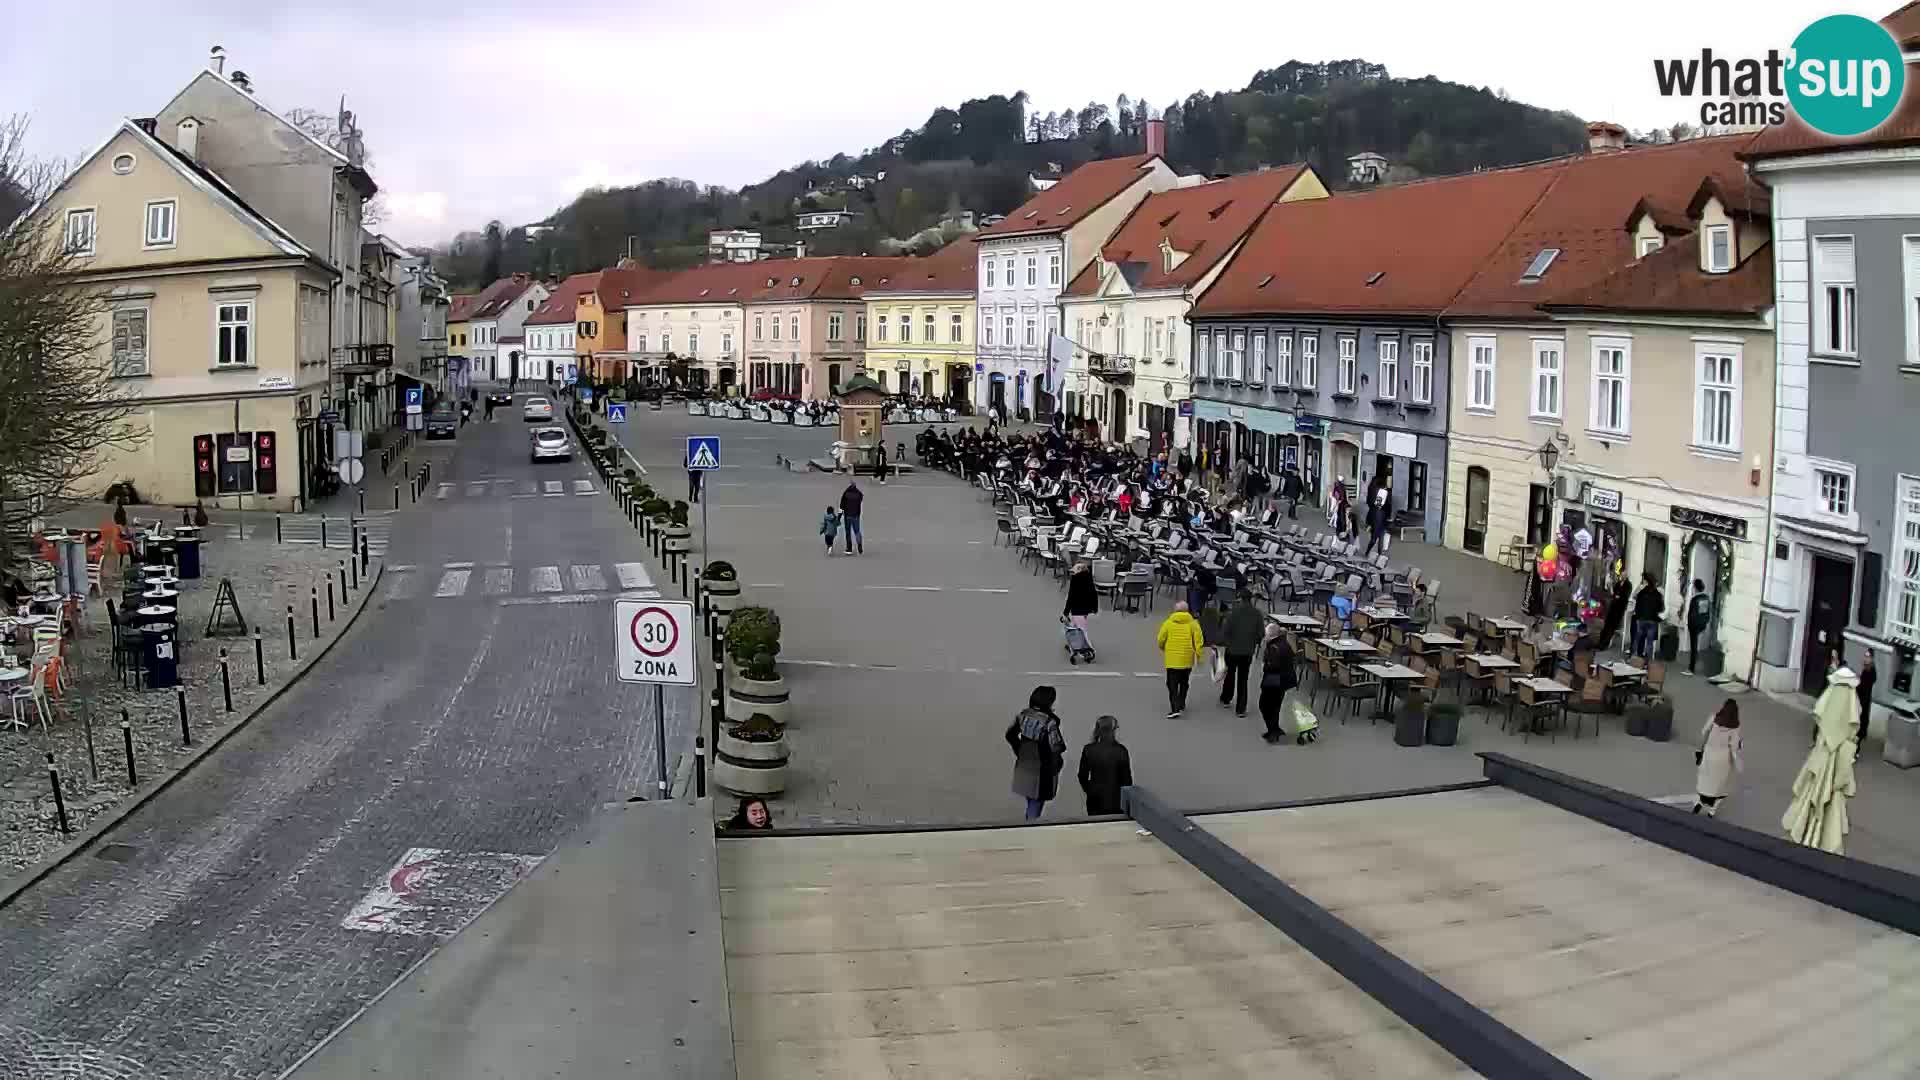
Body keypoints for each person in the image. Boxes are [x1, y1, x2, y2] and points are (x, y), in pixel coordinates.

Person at [1784, 663, 1861, 853]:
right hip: (1836, 762)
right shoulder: (1851, 704)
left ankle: (1806, 829)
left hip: (1822, 756)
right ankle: (1823, 836)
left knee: (1813, 791)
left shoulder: (1829, 699)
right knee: (1832, 799)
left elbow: (1821, 715)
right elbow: (1853, 727)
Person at [1006, 686, 1067, 820]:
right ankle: (1030, 828)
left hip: (1025, 762)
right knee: (1037, 801)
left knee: (1030, 797)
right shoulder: (1049, 722)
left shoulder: (1023, 715)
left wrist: (1020, 750)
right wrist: (1056, 765)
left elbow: (1010, 735)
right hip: (1042, 768)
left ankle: (1029, 821)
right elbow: (1057, 746)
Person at [1693, 700, 1744, 818]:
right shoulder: (1735, 726)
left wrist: (1699, 751)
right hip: (1723, 760)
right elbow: (1734, 746)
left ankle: (1698, 803)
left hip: (1709, 755)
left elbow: (1704, 733)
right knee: (1719, 788)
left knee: (1704, 782)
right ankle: (1712, 811)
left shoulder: (1714, 718)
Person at [1156, 601, 1205, 718]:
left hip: (1172, 660)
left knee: (1171, 684)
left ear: (1175, 611)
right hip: (1187, 659)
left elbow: (1160, 639)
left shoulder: (1168, 623)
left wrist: (1164, 648)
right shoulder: (1193, 624)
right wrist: (1199, 656)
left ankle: (1175, 708)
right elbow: (1199, 642)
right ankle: (1181, 702)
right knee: (1184, 682)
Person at [1076, 715, 1133, 815]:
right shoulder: (1121, 750)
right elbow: (1127, 780)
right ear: (1113, 730)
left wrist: (1089, 790)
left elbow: (1082, 775)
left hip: (1094, 799)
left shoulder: (1088, 749)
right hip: (1116, 800)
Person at [1218, 593, 1264, 717]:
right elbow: (1261, 633)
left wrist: (1227, 643)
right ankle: (1241, 709)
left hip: (1232, 650)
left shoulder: (1232, 613)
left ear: (1240, 599)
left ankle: (1226, 698)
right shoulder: (1257, 614)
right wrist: (1254, 642)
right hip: (1247, 651)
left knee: (1230, 674)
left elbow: (1225, 631)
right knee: (1243, 679)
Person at [1257, 622, 1298, 744]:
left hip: (1273, 681)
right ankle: (1275, 729)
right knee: (1275, 706)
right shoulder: (1284, 643)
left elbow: (1272, 666)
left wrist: (1265, 666)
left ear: (1271, 635)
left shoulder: (1274, 647)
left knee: (1264, 705)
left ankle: (1272, 731)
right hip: (1285, 680)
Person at [1063, 560, 1097, 648]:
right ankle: (1071, 643)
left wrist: (1066, 612)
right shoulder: (1089, 579)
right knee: (1076, 624)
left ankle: (1089, 648)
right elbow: (1094, 594)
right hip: (1086, 608)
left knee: (1082, 630)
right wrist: (1095, 608)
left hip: (1077, 609)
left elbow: (1070, 598)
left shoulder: (1075, 580)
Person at [1630, 573, 1664, 661]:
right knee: (1649, 642)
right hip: (1652, 620)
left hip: (1641, 619)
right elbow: (1661, 608)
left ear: (1646, 581)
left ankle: (1633, 658)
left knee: (1637, 639)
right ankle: (1647, 662)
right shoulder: (1658, 593)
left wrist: (1638, 615)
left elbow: (1636, 602)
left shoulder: (1642, 592)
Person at [1684, 579, 1712, 674]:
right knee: (1695, 646)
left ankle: (1691, 668)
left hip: (1694, 625)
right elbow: (1707, 612)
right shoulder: (1706, 598)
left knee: (1694, 647)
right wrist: (1705, 623)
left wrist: (1689, 625)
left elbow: (1691, 614)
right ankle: (1694, 664)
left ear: (1695, 588)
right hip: (1702, 623)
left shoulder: (1695, 599)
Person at [1599, 575, 1632, 654]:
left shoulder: (1628, 585)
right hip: (1613, 606)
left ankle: (1605, 644)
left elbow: (1626, 595)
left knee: (1612, 626)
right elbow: (1613, 593)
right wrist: (1614, 595)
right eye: (1621, 574)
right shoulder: (1618, 583)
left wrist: (1619, 597)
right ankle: (1600, 642)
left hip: (1620, 608)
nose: (1622, 576)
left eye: (1623, 574)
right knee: (1607, 625)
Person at [839, 481, 864, 555]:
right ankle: (859, 544)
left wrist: (839, 516)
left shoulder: (846, 493)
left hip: (847, 515)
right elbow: (861, 498)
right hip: (856, 515)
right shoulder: (858, 494)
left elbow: (841, 505)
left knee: (848, 532)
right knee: (857, 531)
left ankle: (849, 548)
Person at [1858, 649, 1878, 745]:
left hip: (1863, 701)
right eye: (1865, 656)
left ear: (1872, 659)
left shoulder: (1870, 671)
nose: (1865, 658)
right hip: (1861, 700)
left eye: (1868, 656)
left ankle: (1855, 752)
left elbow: (1865, 687)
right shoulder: (1866, 669)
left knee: (1860, 725)